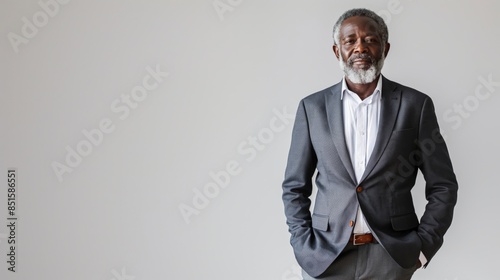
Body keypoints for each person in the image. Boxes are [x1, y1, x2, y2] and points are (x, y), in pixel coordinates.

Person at [281, 8, 458, 280]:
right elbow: (294, 186)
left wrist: (423, 247)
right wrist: (302, 245)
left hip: (391, 256)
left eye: (370, 40)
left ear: (385, 48)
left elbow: (443, 185)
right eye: (350, 40)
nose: (360, 47)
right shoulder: (312, 108)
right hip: (326, 256)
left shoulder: (415, 105)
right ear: (336, 50)